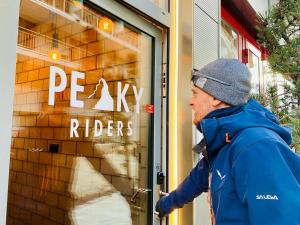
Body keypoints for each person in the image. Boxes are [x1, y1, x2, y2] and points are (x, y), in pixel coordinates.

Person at [155, 58, 300, 225]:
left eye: (195, 93)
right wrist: (164, 205)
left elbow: (281, 218)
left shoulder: (256, 146)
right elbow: (196, 180)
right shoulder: (226, 140)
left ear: (216, 98)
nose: (191, 101)